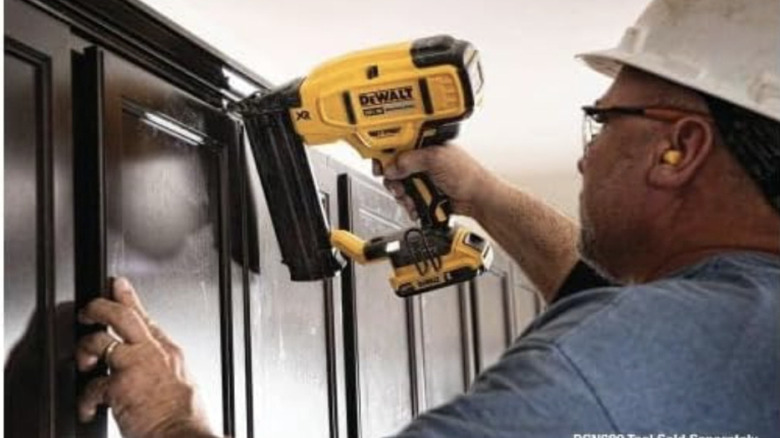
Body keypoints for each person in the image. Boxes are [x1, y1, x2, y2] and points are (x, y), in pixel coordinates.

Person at [76, 0, 780, 436]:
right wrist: (480, 192)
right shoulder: (738, 330)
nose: (585, 161)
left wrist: (171, 424)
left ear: (679, 148)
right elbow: (592, 287)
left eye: (600, 123)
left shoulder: (621, 350)